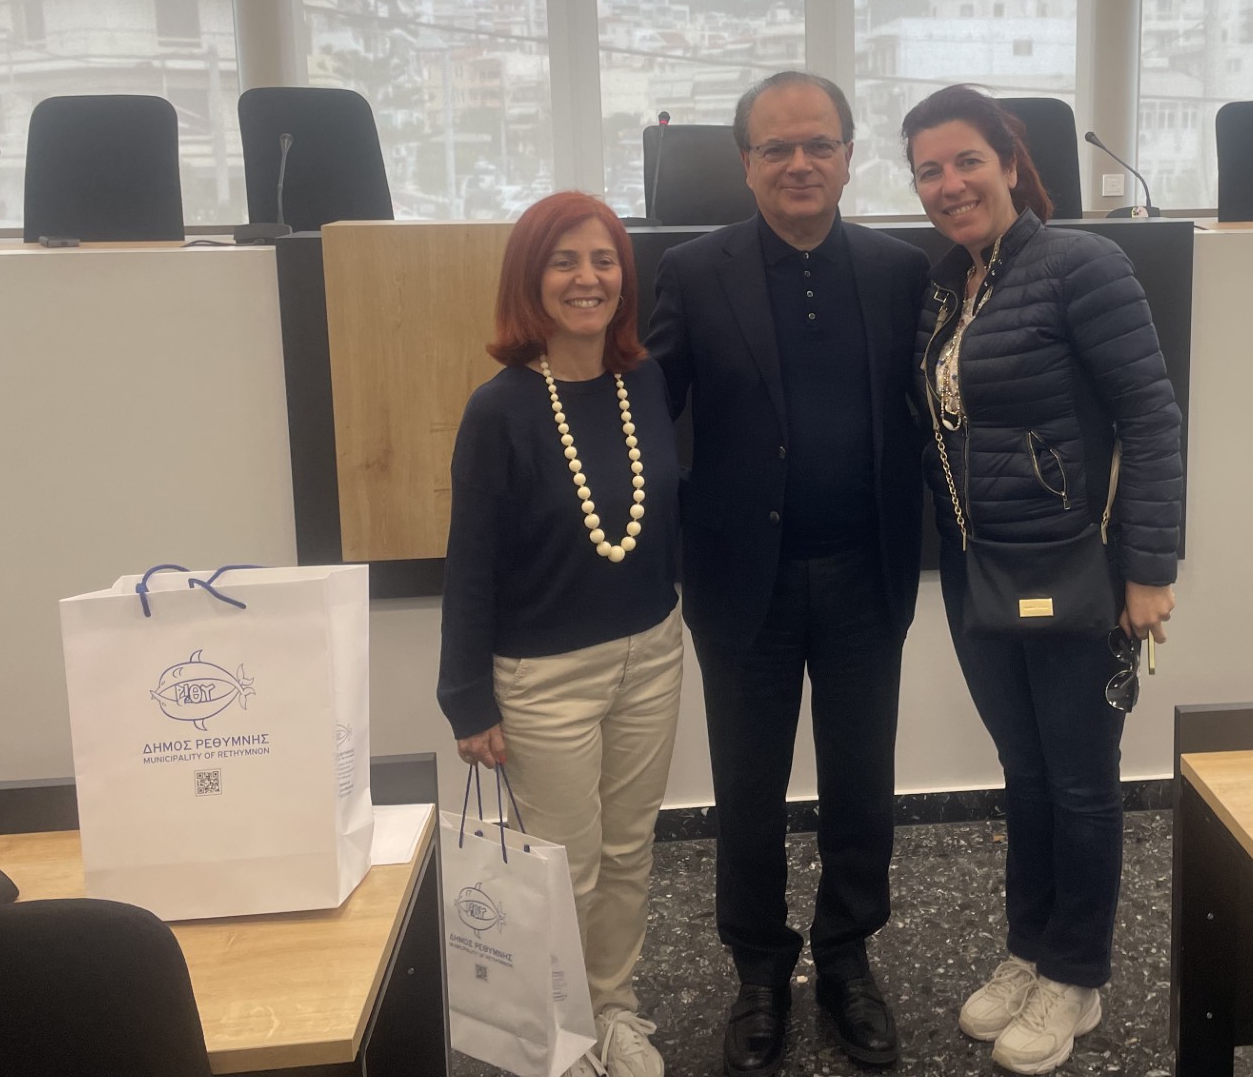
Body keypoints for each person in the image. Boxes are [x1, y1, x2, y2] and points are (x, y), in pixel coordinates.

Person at [646, 71, 930, 1077]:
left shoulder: (902, 272)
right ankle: (759, 972)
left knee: (862, 788)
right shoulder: (693, 272)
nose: (799, 163)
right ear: (746, 164)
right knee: (747, 791)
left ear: (850, 157)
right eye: (776, 148)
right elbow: (646, 411)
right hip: (742, 583)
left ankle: (848, 959)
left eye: (819, 145)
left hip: (865, 574)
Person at [903, 86, 1184, 1076]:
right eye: (928, 170)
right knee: (1023, 773)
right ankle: (1029, 948)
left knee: (1080, 781)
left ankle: (1077, 974)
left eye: (966, 161)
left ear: (1011, 164)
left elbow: (1151, 418)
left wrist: (1147, 571)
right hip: (980, 571)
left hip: (1075, 570)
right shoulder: (950, 286)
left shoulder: (1082, 265)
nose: (949, 184)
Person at [437, 191, 683, 1077]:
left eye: (604, 260)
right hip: (545, 678)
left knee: (628, 853)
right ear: (529, 281)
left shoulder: (643, 382)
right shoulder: (499, 410)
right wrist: (467, 698)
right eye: (565, 262)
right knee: (564, 868)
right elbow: (470, 561)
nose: (588, 279)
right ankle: (557, 1030)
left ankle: (611, 1008)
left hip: (652, 656)